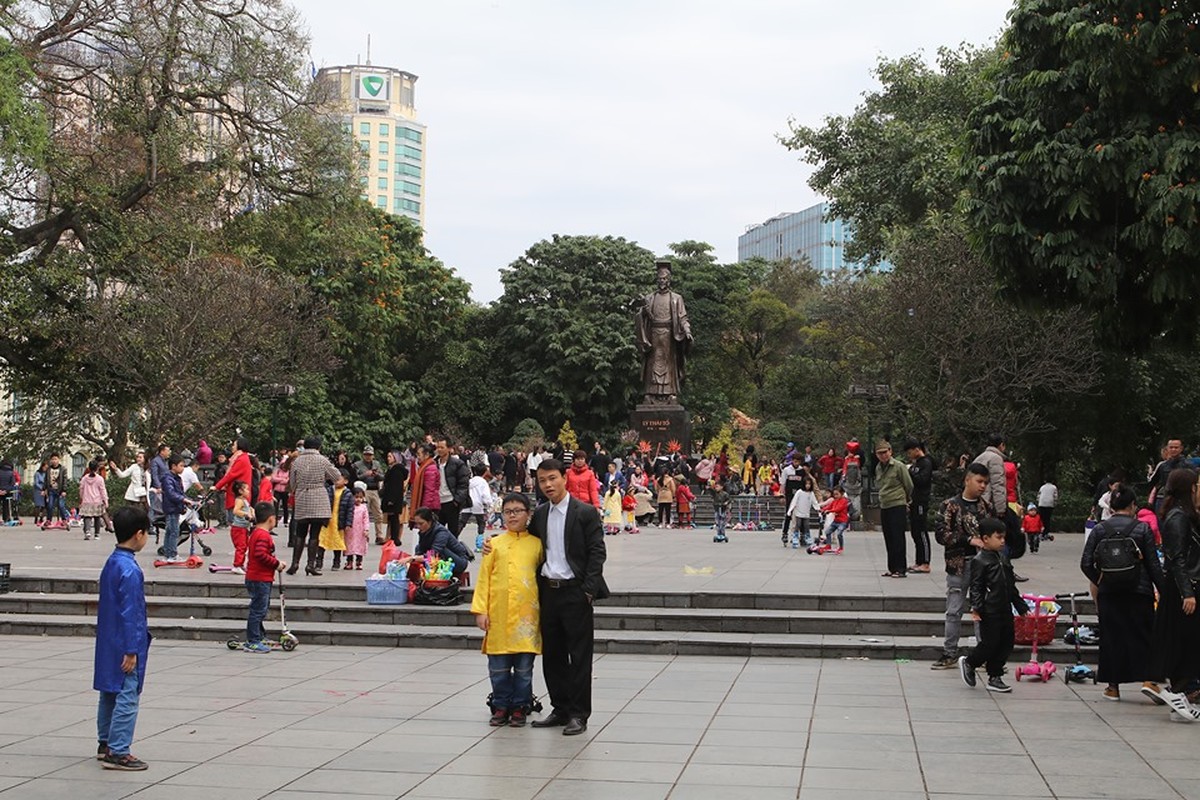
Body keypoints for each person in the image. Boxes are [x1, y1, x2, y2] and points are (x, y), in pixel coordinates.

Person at [525, 459, 608, 735]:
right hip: (549, 591)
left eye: (552, 478)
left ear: (564, 477)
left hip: (575, 592)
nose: (547, 485)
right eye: (542, 480)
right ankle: (559, 708)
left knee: (579, 656)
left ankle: (579, 714)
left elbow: (598, 552)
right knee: (553, 654)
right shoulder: (539, 515)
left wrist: (588, 590)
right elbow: (529, 546)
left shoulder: (584, 512)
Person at [1080, 485, 1165, 702]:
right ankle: (1149, 680)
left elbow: (1086, 562)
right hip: (1139, 591)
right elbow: (1154, 565)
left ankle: (1112, 687)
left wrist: (1100, 578)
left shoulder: (1100, 529)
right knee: (1144, 635)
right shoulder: (1143, 529)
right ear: (1133, 505)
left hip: (1109, 592)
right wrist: (1163, 590)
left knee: (1111, 638)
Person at [472, 492, 543, 727]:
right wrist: (481, 610)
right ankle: (501, 704)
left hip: (526, 617)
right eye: (508, 511)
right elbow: (484, 579)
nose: (512, 516)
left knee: (524, 669)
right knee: (499, 667)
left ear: (528, 514)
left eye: (518, 511)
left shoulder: (537, 545)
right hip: (498, 615)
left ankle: (521, 706)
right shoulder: (495, 544)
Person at [94, 506, 152, 770]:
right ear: (139, 534)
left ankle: (105, 742)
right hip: (125, 641)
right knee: (128, 694)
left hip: (108, 638)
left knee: (109, 692)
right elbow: (132, 613)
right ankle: (118, 750)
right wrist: (132, 650)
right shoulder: (130, 570)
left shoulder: (112, 562)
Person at [1148, 468, 1200, 720]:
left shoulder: (1186, 516)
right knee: (1188, 645)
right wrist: (1187, 593)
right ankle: (1174, 691)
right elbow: (1177, 558)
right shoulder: (1178, 518)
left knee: (1188, 644)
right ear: (1189, 489)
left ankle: (1181, 700)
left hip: (1187, 586)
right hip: (1183, 589)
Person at [930, 462, 993, 670]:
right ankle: (949, 653)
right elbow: (941, 534)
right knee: (954, 610)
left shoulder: (986, 507)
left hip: (982, 565)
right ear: (967, 480)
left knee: (981, 609)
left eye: (985, 482)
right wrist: (968, 540)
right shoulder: (950, 505)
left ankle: (983, 655)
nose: (982, 486)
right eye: (979, 481)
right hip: (958, 564)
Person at [959, 517, 1028, 693]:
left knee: (1007, 642)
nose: (1002, 541)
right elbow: (976, 587)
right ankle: (970, 662)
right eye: (998, 537)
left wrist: (1021, 606)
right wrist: (976, 608)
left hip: (1005, 608)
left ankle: (995, 676)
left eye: (1003, 537)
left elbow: (1010, 585)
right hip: (990, 611)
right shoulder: (980, 560)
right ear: (985, 539)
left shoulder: (1003, 558)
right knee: (990, 643)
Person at [286, 436, 342, 576]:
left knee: (300, 532)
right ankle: (310, 565)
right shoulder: (322, 460)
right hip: (318, 497)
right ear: (319, 447)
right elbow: (336, 476)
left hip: (302, 497)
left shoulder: (297, 461)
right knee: (314, 534)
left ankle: (295, 563)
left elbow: (292, 484)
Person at [243, 501, 286, 653]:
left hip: (259, 577)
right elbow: (260, 554)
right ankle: (253, 640)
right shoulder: (263, 535)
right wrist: (276, 564)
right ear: (271, 519)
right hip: (259, 578)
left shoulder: (256, 533)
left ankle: (260, 636)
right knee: (258, 609)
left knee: (261, 608)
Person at [875, 441, 913, 578]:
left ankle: (900, 568)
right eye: (880, 453)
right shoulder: (878, 468)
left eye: (885, 452)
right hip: (885, 504)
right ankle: (892, 568)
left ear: (890, 451)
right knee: (888, 537)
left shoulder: (899, 466)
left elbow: (909, 485)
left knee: (898, 537)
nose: (883, 455)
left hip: (897, 503)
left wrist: (906, 500)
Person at [409, 507, 472, 576]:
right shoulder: (424, 531)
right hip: (438, 558)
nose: (418, 526)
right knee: (418, 547)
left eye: (421, 524)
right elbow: (421, 550)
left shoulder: (441, 532)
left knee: (441, 551)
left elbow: (434, 554)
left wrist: (413, 558)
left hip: (458, 561)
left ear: (429, 521)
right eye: (416, 524)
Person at [903, 438, 935, 573]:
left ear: (917, 449)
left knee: (921, 531)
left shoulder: (926, 462)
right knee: (915, 531)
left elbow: (922, 480)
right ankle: (919, 561)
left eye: (910, 452)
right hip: (914, 501)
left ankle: (926, 562)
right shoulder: (916, 464)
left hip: (922, 500)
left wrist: (909, 472)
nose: (909, 456)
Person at [434, 438, 471, 538]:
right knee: (437, 532)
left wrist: (457, 500)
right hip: (437, 502)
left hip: (451, 502)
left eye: (442, 447)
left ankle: (452, 553)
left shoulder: (457, 464)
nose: (439, 450)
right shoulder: (433, 463)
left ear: (449, 448)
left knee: (453, 533)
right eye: (438, 447)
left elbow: (464, 483)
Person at [212, 437, 252, 527]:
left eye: (234, 445)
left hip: (237, 492)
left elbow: (230, 475)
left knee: (236, 522)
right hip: (238, 491)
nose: (232, 447)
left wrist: (217, 486)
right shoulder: (241, 458)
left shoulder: (241, 459)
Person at [353, 446, 387, 545]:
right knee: (362, 514)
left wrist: (376, 474)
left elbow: (382, 477)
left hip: (375, 490)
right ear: (363, 455)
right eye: (366, 455)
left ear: (373, 455)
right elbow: (355, 477)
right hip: (363, 490)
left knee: (378, 514)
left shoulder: (377, 464)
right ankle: (362, 535)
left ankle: (379, 535)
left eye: (370, 455)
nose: (368, 457)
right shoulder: (357, 465)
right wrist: (366, 474)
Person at [158, 455, 189, 563]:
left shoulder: (176, 478)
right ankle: (172, 554)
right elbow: (171, 494)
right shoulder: (168, 478)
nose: (183, 468)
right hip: (171, 508)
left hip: (174, 507)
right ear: (173, 466)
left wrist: (187, 500)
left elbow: (180, 493)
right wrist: (183, 499)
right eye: (181, 466)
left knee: (170, 531)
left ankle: (168, 554)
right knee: (174, 532)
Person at [318, 473, 350, 572]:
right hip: (327, 521)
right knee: (321, 541)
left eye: (339, 479)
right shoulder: (329, 490)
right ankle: (318, 562)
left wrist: (348, 523)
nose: (336, 481)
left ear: (346, 481)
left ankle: (336, 562)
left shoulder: (347, 493)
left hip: (339, 523)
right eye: (335, 479)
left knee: (337, 542)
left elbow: (350, 510)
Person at [380, 450, 408, 546]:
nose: (388, 458)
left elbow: (396, 487)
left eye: (390, 457)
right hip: (391, 497)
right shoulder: (391, 469)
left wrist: (391, 500)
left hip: (393, 499)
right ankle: (392, 538)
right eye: (388, 456)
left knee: (394, 519)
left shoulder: (397, 470)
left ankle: (394, 538)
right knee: (392, 519)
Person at [79, 460, 109, 542]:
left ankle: (87, 532)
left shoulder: (84, 478)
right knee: (97, 518)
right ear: (97, 468)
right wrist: (105, 500)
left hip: (86, 500)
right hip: (97, 500)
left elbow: (81, 488)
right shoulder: (100, 479)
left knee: (87, 517)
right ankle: (97, 534)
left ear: (89, 468)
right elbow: (103, 490)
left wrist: (81, 497)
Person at [786, 475, 817, 549]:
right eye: (806, 484)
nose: (808, 486)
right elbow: (794, 501)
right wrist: (790, 510)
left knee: (806, 526)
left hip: (806, 513)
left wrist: (818, 509)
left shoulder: (811, 493)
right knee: (798, 525)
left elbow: (814, 502)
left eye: (809, 484)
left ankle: (807, 538)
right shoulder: (799, 492)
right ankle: (795, 538)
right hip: (798, 512)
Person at [343, 483, 369, 571]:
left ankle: (359, 562)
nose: (358, 499)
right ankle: (349, 562)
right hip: (350, 530)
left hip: (360, 531)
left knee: (360, 546)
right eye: (356, 497)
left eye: (361, 497)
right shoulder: (350, 507)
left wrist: (366, 529)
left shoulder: (364, 507)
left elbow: (366, 519)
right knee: (349, 546)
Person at [467, 463, 493, 546]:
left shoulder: (470, 481)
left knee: (461, 522)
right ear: (485, 472)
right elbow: (485, 495)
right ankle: (479, 542)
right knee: (481, 523)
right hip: (478, 504)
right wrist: (489, 504)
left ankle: (454, 538)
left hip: (467, 503)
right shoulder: (483, 482)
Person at [820, 486, 850, 553]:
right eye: (834, 494)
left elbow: (838, 509)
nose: (835, 496)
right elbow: (829, 506)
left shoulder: (844, 501)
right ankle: (828, 545)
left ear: (842, 494)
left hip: (843, 521)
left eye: (837, 494)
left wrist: (829, 511)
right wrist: (822, 510)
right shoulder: (834, 501)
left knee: (839, 533)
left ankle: (841, 547)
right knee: (827, 532)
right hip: (836, 521)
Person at [42, 452, 70, 525]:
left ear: (58, 460)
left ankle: (64, 520)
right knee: (50, 505)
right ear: (51, 460)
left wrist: (64, 490)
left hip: (60, 491)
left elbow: (65, 480)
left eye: (56, 459)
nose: (54, 461)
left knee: (61, 505)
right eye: (53, 459)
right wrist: (43, 489)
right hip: (51, 490)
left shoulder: (63, 469)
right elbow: (45, 480)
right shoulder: (48, 469)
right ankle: (49, 520)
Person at [0, 457, 16, 524]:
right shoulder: (11, 473)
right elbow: (12, 484)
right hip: (7, 492)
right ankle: (6, 518)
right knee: (6, 505)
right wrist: (6, 491)